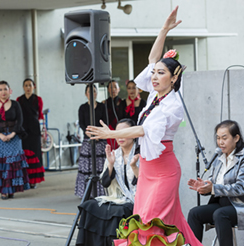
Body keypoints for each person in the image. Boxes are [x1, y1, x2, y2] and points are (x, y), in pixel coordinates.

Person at [87, 6, 203, 246]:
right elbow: (152, 59)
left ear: (173, 78)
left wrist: (111, 133)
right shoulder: (154, 97)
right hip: (148, 170)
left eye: (161, 73)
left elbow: (142, 130)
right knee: (156, 224)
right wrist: (163, 29)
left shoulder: (172, 104)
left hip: (164, 171)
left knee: (152, 224)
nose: (154, 75)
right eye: (154, 73)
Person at [76, 118, 139, 246]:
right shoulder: (114, 154)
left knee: (118, 211)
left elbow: (143, 183)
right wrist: (110, 164)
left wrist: (133, 166)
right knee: (89, 206)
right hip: (119, 198)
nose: (120, 137)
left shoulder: (141, 154)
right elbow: (105, 183)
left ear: (133, 134)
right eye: (117, 133)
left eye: (124, 132)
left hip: (136, 199)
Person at [188, 120, 244, 246]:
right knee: (194, 213)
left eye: (224, 138)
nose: (220, 142)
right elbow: (213, 182)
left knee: (220, 214)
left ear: (236, 138)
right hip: (222, 204)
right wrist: (204, 186)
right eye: (218, 138)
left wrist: (213, 188)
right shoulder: (219, 156)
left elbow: (241, 188)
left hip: (241, 206)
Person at [0, 81, 30, 200]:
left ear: (9, 90)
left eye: (5, 89)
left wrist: (13, 134)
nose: (3, 92)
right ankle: (3, 191)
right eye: (0, 89)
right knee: (1, 164)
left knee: (13, 163)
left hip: (14, 136)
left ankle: (12, 189)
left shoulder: (15, 104)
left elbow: (20, 120)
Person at [75, 84, 107, 199]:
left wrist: (99, 133)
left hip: (100, 138)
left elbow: (105, 121)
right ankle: (85, 191)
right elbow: (82, 123)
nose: (92, 94)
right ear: (86, 94)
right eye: (89, 92)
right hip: (88, 138)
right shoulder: (82, 107)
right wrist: (88, 133)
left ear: (96, 93)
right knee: (86, 167)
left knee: (100, 166)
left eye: (94, 91)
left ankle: (100, 191)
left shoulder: (102, 107)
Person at [17, 78, 45, 189]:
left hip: (35, 130)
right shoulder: (19, 99)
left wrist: (43, 131)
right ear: (23, 87)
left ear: (34, 87)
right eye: (26, 85)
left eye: (30, 85)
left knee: (35, 154)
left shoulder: (38, 99)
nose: (28, 88)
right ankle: (25, 179)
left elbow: (40, 116)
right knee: (23, 154)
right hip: (23, 130)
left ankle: (34, 180)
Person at [102, 80, 124, 150]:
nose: (113, 89)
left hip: (120, 130)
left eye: (115, 87)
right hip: (109, 130)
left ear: (119, 89)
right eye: (111, 87)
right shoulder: (104, 103)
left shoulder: (123, 102)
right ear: (108, 89)